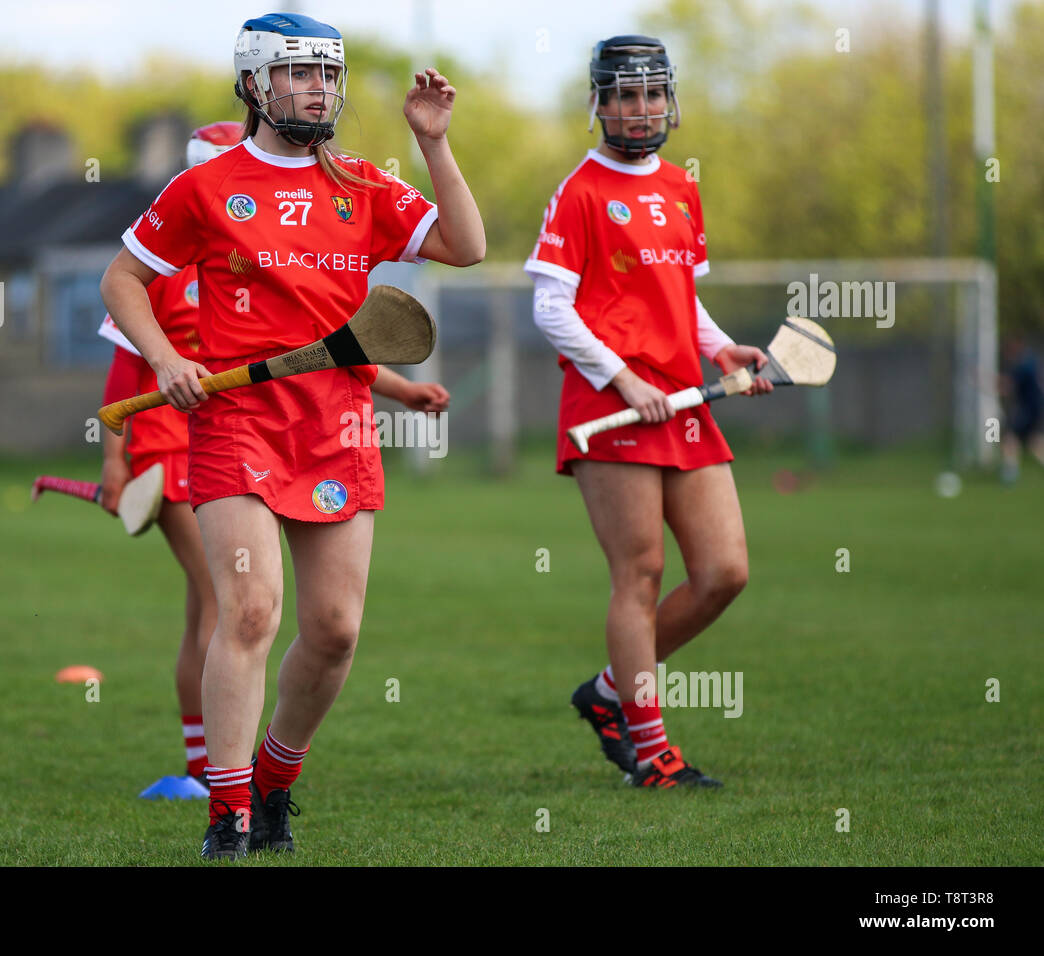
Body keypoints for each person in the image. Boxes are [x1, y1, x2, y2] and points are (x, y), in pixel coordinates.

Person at [100, 12, 483, 857]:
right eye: (299, 74)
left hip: (338, 428)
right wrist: (164, 358)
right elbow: (122, 277)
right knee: (250, 613)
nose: (318, 89)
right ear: (254, 84)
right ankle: (228, 812)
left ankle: (274, 781)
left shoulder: (360, 185)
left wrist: (434, 143)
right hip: (237, 427)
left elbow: (467, 244)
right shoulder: (207, 186)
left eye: (326, 75)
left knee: (338, 630)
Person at [524, 35, 771, 788]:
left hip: (683, 398)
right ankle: (651, 752)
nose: (639, 110)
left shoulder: (680, 187)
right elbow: (551, 307)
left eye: (651, 94)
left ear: (670, 100)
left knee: (725, 570)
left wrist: (723, 350)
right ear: (598, 104)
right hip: (611, 404)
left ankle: (607, 694)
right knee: (640, 573)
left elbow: (682, 301)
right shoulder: (581, 191)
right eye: (623, 96)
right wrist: (622, 377)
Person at [98, 122, 242, 801]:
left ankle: (199, 767)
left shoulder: (244, 262)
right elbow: (125, 372)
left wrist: (397, 388)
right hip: (165, 448)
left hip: (224, 443)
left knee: (204, 604)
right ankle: (212, 771)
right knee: (220, 598)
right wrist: (115, 464)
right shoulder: (156, 261)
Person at [999, 335, 1044, 484]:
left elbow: (1007, 387)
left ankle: (1010, 475)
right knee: (1034, 443)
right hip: (1035, 408)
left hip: (1029, 409)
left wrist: (983, 380)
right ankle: (1010, 473)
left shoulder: (1024, 364)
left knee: (1009, 438)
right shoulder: (1031, 361)